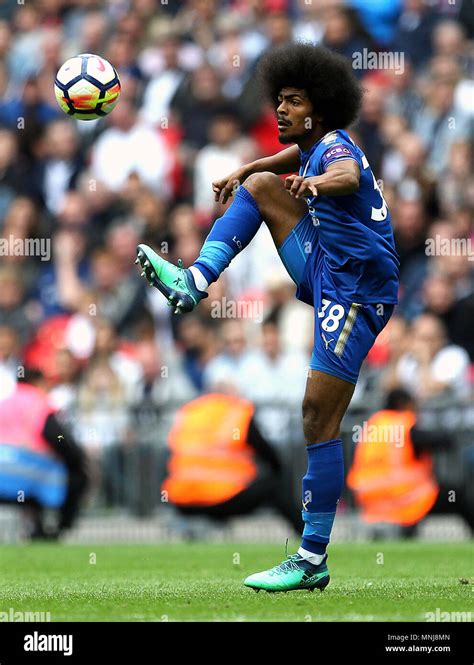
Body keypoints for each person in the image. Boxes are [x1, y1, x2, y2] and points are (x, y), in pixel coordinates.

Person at [136, 43, 399, 593]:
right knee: (258, 188)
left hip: (357, 292)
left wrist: (315, 186)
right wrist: (249, 166)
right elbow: (292, 163)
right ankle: (194, 282)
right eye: (278, 99)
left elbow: (346, 175)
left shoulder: (334, 148)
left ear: (318, 111)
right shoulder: (310, 147)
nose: (280, 109)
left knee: (316, 418)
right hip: (329, 266)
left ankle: (311, 557)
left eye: (293, 101)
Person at [162, 393, 300, 534]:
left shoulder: (190, 414)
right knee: (275, 487)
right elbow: (269, 455)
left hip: (181, 501)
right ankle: (307, 536)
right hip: (221, 499)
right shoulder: (237, 415)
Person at [0, 368, 88, 539]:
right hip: (25, 469)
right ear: (38, 382)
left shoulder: (5, 402)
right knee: (76, 476)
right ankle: (58, 529)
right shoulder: (38, 402)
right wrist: (75, 453)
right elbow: (56, 435)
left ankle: (37, 526)